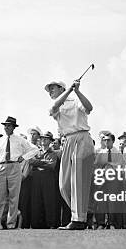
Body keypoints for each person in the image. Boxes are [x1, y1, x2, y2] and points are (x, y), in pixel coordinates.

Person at [46, 78, 95, 230]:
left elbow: (89, 107)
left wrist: (77, 91)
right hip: (67, 141)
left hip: (82, 137)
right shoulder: (57, 106)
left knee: (78, 181)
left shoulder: (75, 100)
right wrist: (70, 90)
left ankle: (79, 220)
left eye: (52, 89)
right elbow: (54, 106)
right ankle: (85, 212)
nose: (50, 92)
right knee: (64, 185)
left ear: (61, 88)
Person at [0, 117, 38, 230]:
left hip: (15, 166)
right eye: (5, 125)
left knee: (13, 197)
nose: (6, 127)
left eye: (9, 125)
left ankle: (11, 224)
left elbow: (35, 149)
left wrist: (23, 157)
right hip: (1, 167)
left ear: (13, 127)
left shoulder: (20, 140)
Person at [30, 131, 60, 229]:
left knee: (49, 201)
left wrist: (38, 162)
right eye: (42, 138)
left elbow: (52, 165)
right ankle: (37, 224)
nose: (43, 140)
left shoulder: (53, 153)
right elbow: (31, 161)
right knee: (36, 201)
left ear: (50, 141)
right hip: (36, 179)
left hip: (48, 179)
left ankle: (50, 223)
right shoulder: (36, 151)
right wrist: (44, 162)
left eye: (46, 138)